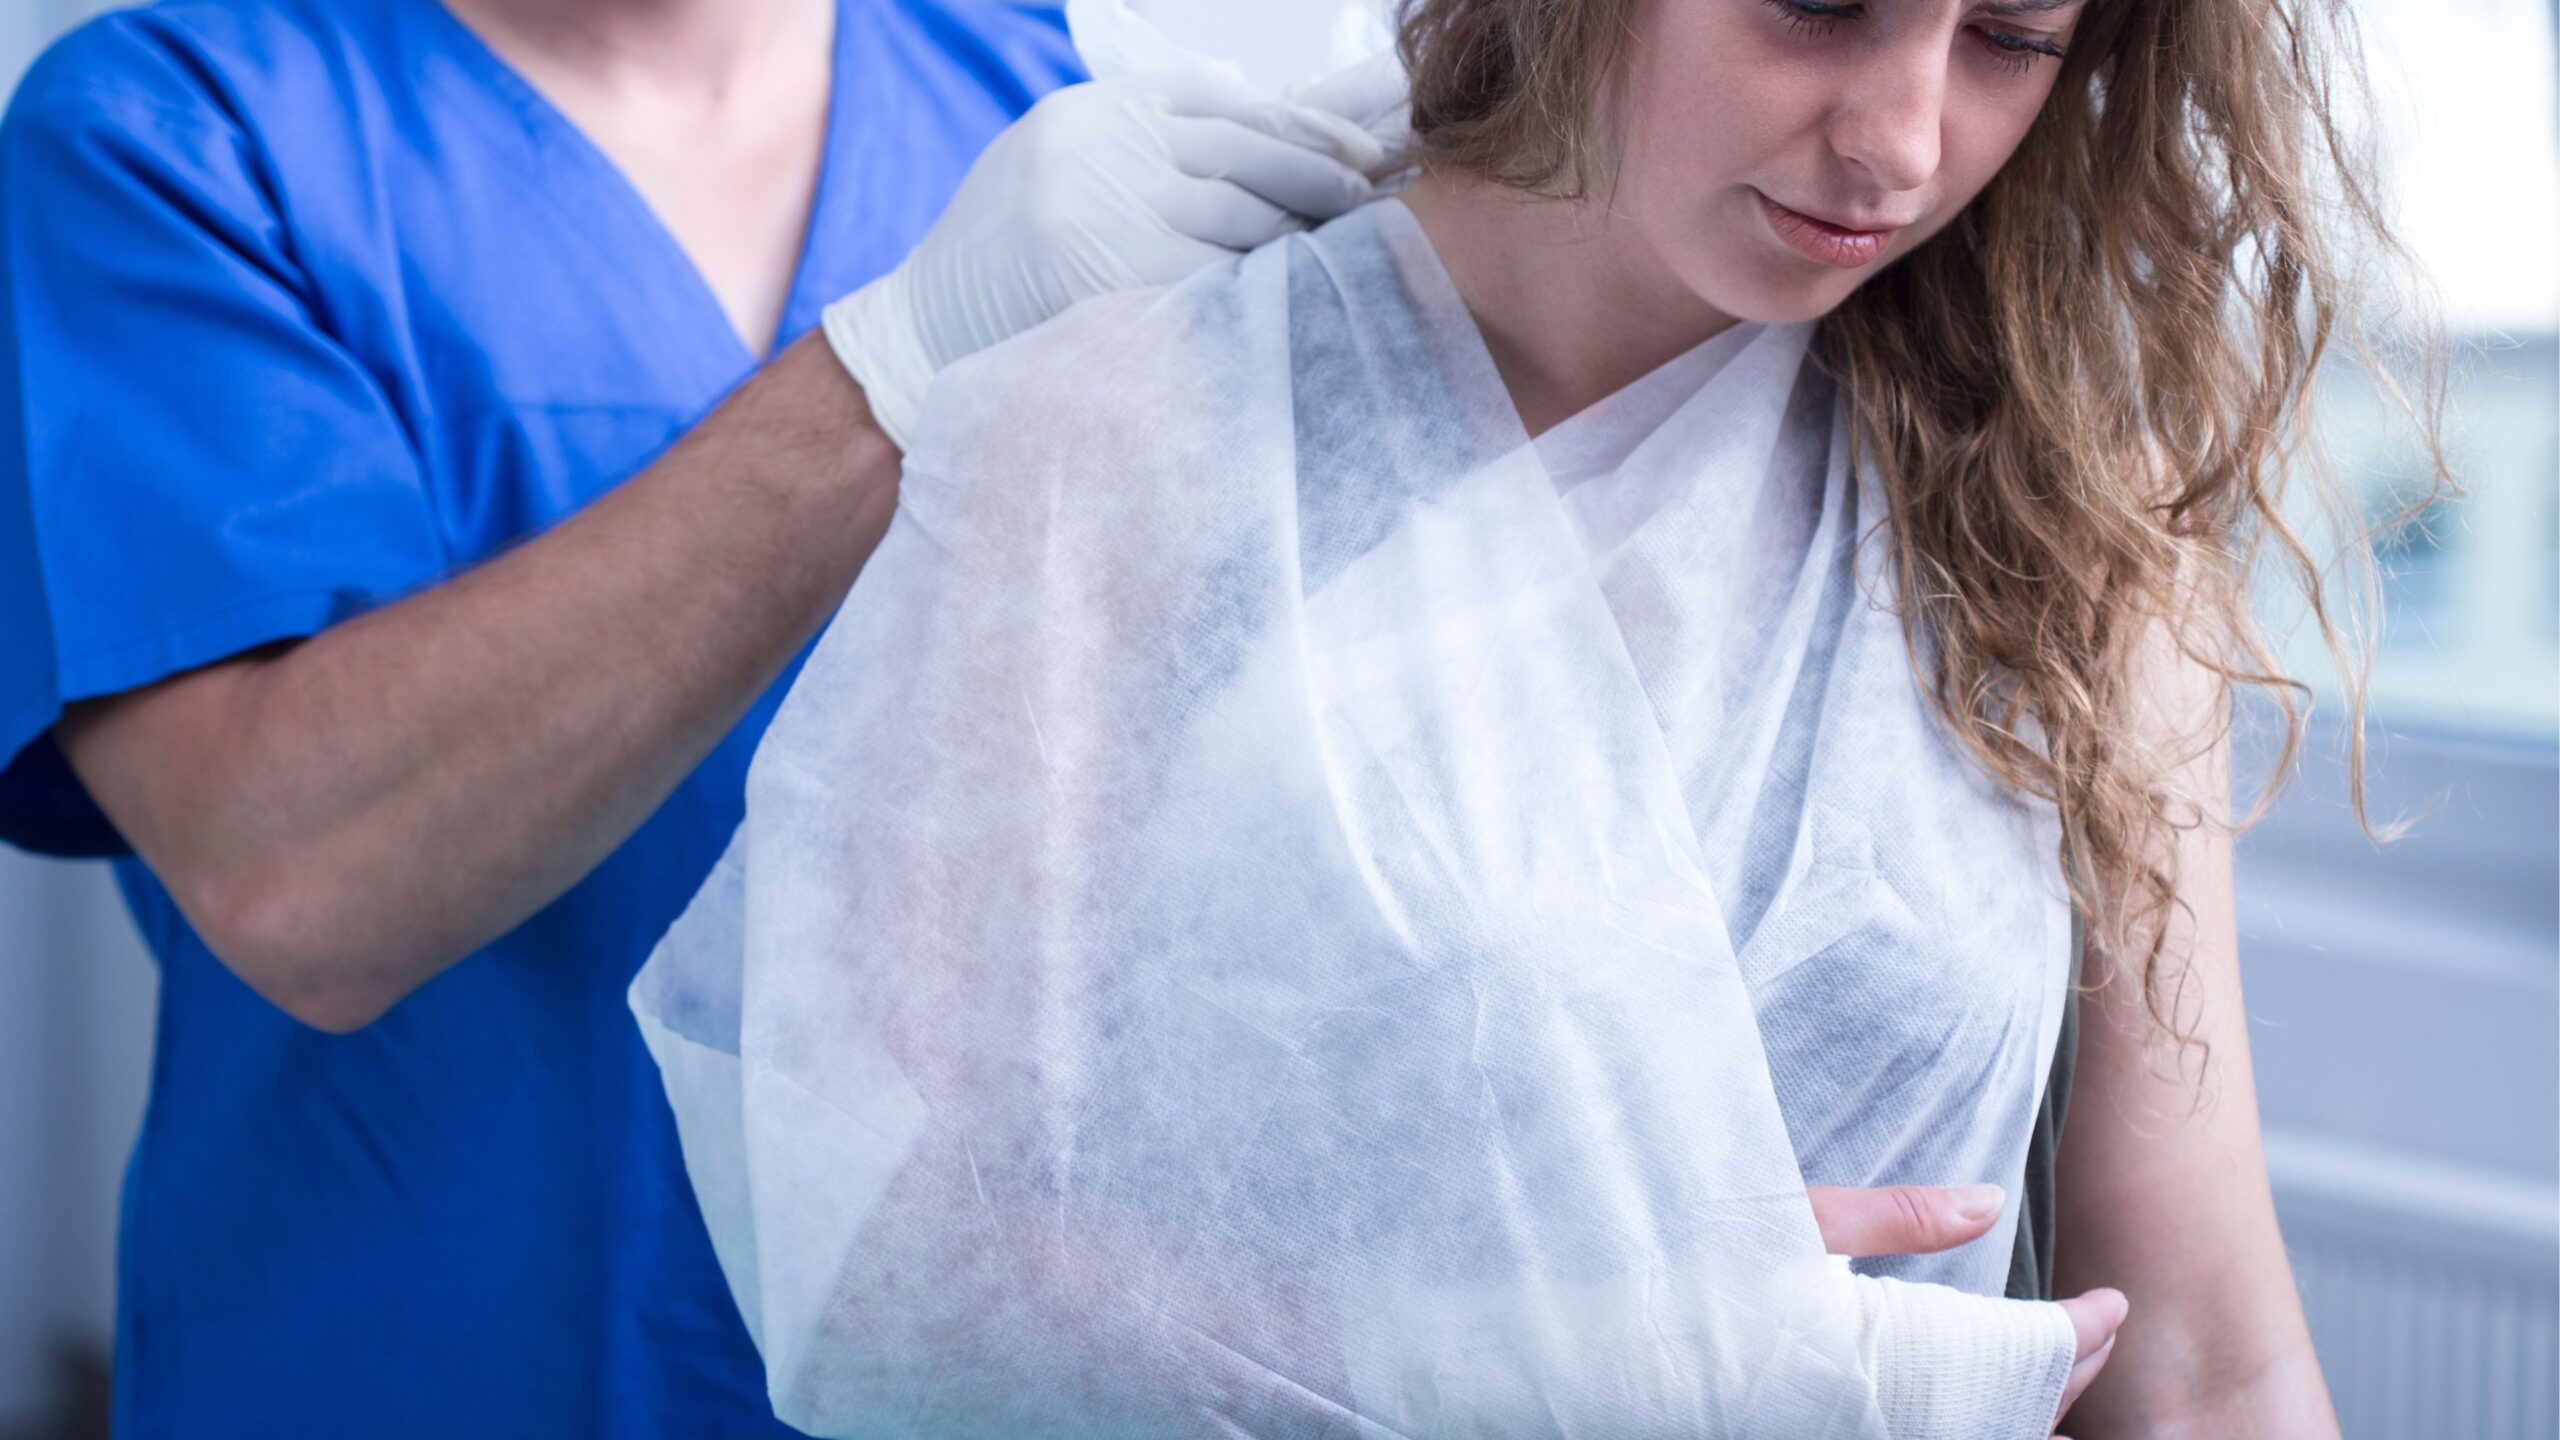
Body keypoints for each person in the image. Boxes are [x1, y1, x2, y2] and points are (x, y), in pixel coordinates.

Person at [0, 0, 2013, 1433]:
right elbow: (300, 878)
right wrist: (886, 365)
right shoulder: (177, 131)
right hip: (429, 1355)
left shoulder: (1045, 92)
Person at [658, 0, 2435, 1435]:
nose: (1900, 138)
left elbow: (2197, 1361)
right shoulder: (1146, 438)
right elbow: (886, 1274)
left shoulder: (2065, 519)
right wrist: (1527, 1344)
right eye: (1820, 6)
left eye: (2012, 38)